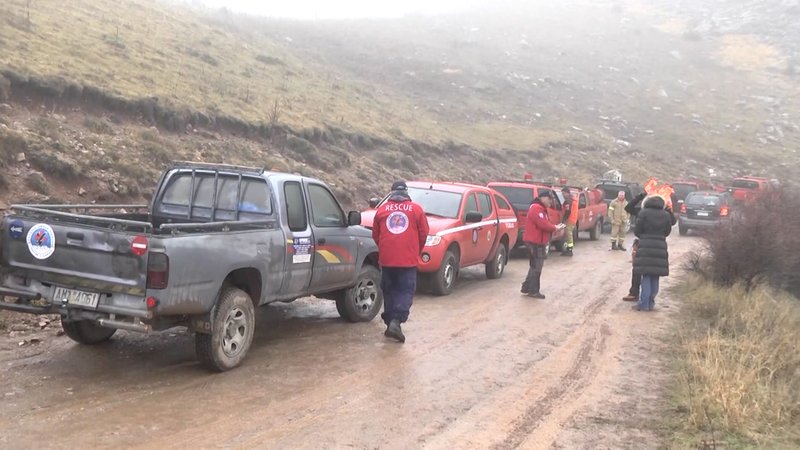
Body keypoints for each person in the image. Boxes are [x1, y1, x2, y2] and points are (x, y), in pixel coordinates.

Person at [372, 180, 429, 342]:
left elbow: (376, 235)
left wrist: (386, 249)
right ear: (406, 192)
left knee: (389, 290)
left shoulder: (382, 210)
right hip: (408, 260)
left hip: (387, 259)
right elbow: (423, 234)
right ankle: (396, 322)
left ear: (391, 192)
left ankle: (390, 323)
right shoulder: (416, 210)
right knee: (405, 290)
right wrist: (415, 250)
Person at [521, 191, 566, 299]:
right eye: (549, 199)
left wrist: (554, 227)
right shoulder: (537, 208)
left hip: (537, 241)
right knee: (537, 267)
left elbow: (545, 224)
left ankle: (527, 287)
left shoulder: (540, 208)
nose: (551, 202)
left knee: (534, 266)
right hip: (535, 242)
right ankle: (533, 290)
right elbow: (543, 224)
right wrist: (555, 228)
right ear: (543, 198)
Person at [632, 195, 673, 311]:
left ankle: (643, 304)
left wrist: (644, 236)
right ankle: (651, 303)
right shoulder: (665, 215)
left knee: (646, 275)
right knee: (655, 276)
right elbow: (668, 231)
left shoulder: (644, 213)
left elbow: (637, 230)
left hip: (645, 245)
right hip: (660, 245)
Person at [622, 191, 647, 301]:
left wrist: (640, 196)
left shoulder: (643, 212)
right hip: (644, 244)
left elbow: (628, 207)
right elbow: (628, 208)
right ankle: (636, 293)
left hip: (644, 243)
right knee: (637, 269)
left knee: (641, 270)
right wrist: (640, 196)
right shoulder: (641, 212)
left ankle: (640, 295)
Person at [560, 187, 579, 257]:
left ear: (567, 193)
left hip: (569, 219)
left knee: (568, 234)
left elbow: (568, 211)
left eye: (564, 193)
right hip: (572, 219)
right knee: (568, 234)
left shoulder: (568, 201)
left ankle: (569, 250)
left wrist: (564, 220)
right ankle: (568, 249)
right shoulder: (572, 200)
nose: (563, 195)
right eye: (562, 194)